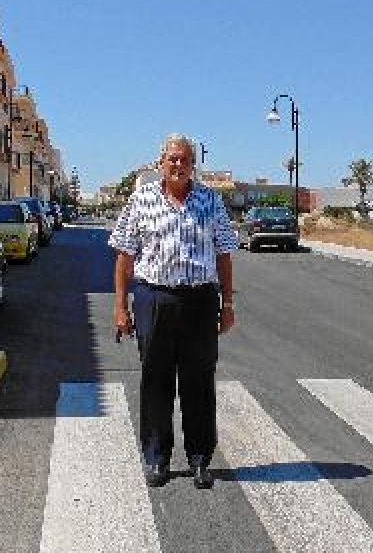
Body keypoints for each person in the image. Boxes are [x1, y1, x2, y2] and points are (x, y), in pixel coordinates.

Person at [110, 133, 238, 489]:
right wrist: (120, 307)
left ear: (193, 164)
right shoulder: (141, 200)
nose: (178, 164)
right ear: (161, 163)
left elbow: (224, 255)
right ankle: (157, 458)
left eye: (185, 159)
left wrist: (227, 304)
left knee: (199, 382)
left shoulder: (210, 200)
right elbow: (124, 256)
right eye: (172, 159)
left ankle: (200, 459)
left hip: (200, 301)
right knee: (156, 381)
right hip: (153, 298)